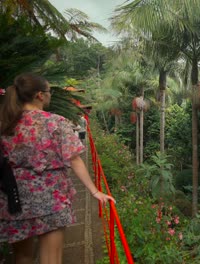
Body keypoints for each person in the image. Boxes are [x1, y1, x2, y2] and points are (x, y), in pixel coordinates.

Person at [0, 73, 115, 264]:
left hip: (15, 199)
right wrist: (95, 192)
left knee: (22, 257)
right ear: (39, 95)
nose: (50, 95)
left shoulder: (6, 124)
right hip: (51, 197)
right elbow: (75, 159)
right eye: (49, 91)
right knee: (51, 259)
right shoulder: (55, 122)